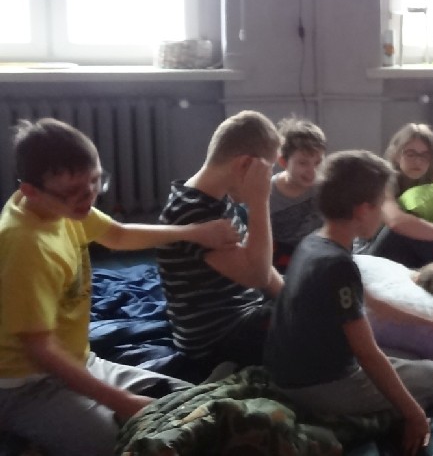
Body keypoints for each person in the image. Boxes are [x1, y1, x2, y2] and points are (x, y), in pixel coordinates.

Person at [0, 119, 240, 456]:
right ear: (30, 191)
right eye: (74, 192)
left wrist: (196, 232)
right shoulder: (26, 247)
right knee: (139, 443)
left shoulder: (63, 207)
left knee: (189, 403)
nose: (89, 197)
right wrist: (123, 401)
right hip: (26, 386)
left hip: (81, 360)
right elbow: (41, 350)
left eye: (95, 182)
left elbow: (117, 235)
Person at [264, 150, 433, 455]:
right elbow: (368, 354)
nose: (383, 215)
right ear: (363, 210)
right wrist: (415, 416)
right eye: (381, 205)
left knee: (404, 357)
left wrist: (431, 323)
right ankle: (367, 419)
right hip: (317, 386)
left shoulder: (314, 242)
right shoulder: (337, 265)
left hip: (288, 372)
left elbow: (372, 301)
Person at [156, 110, 284, 375]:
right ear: (245, 165)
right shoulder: (191, 211)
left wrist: (291, 295)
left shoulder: (218, 198)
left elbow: (256, 261)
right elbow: (257, 275)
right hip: (217, 340)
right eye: (266, 169)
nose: (268, 177)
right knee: (322, 326)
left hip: (244, 314)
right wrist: (260, 201)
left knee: (312, 299)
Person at [355, 124, 433, 268]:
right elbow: (396, 222)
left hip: (411, 255)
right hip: (373, 253)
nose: (418, 161)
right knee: (404, 228)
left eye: (425, 155)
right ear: (397, 155)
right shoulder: (382, 180)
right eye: (410, 154)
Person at [270, 116, 328, 272]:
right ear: (283, 162)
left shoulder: (324, 187)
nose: (312, 171)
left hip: (318, 252)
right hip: (283, 259)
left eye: (318, 162)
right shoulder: (268, 193)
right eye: (303, 163)